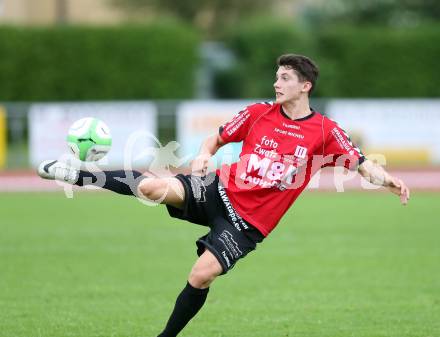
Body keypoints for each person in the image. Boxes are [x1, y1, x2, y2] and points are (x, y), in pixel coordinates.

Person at [38, 54, 410, 337]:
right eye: (276, 77)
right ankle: (80, 175)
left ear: (305, 86)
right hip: (218, 190)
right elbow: (215, 137)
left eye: (284, 79)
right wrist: (203, 154)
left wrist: (388, 179)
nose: (276, 83)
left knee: (201, 276)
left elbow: (361, 163)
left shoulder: (325, 130)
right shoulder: (258, 113)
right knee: (152, 187)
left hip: (248, 224)